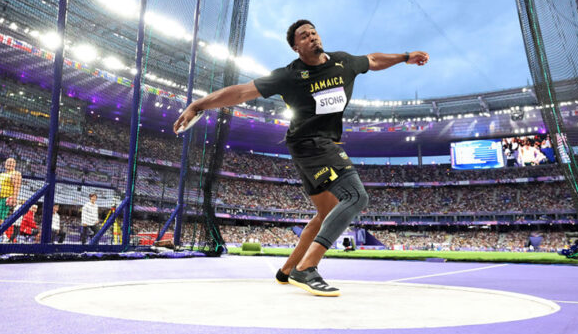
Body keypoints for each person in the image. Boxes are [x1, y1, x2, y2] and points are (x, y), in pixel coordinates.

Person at [174, 19, 429, 296]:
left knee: (325, 213)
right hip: (311, 144)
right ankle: (307, 268)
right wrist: (198, 105)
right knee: (356, 197)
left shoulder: (344, 63)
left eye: (314, 32)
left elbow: (372, 59)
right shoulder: (289, 75)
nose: (312, 37)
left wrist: (405, 57)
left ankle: (287, 270)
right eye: (304, 36)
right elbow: (241, 92)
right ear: (297, 47)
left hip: (316, 145)